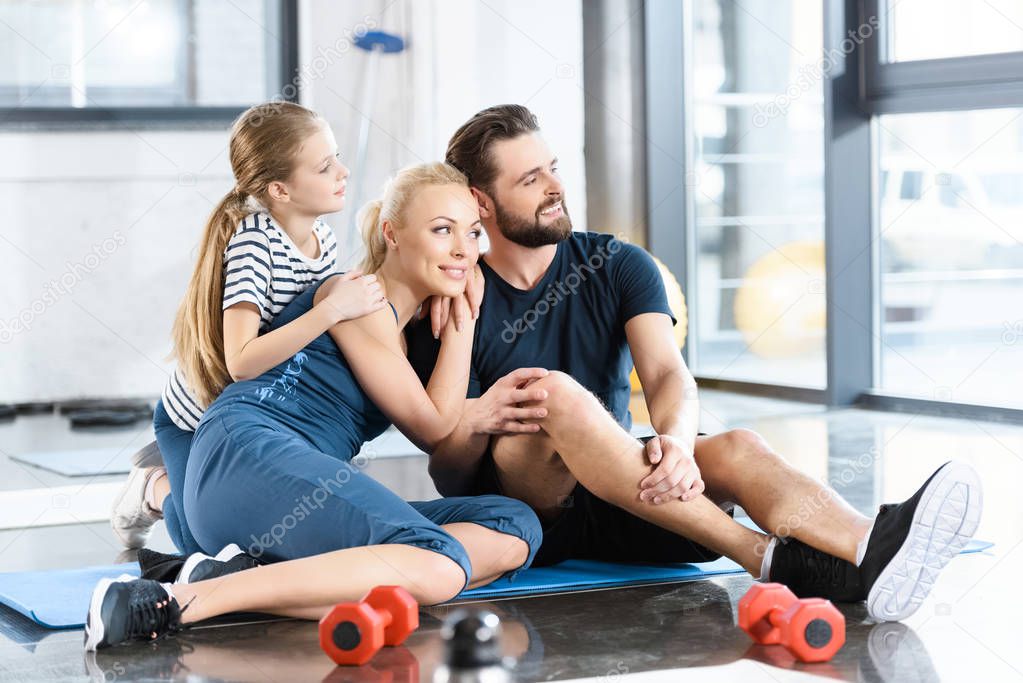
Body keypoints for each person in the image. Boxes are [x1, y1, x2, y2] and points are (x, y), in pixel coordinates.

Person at [407, 104, 983, 622]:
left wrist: (677, 442)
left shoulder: (616, 262)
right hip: (534, 514)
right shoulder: (453, 296)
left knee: (739, 446)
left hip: (640, 502)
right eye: (531, 179)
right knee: (553, 393)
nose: (556, 186)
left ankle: (871, 546)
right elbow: (449, 470)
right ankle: (759, 555)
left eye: (553, 167)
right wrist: (482, 413)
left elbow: (665, 375)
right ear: (481, 201)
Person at [85, 162, 543, 651]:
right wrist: (464, 321)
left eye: (473, 233)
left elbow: (445, 430)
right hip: (247, 452)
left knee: (514, 525)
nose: (463, 250)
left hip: (277, 492)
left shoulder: (399, 335)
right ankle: (176, 600)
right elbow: (434, 427)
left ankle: (249, 575)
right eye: (442, 230)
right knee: (436, 560)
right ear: (392, 234)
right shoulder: (357, 298)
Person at [110, 102, 387, 555]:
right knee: (197, 541)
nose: (343, 171)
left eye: (336, 155)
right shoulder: (255, 244)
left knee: (254, 533)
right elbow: (241, 362)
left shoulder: (326, 240)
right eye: (324, 166)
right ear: (280, 188)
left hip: (249, 415)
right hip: (194, 418)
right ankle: (151, 487)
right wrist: (332, 311)